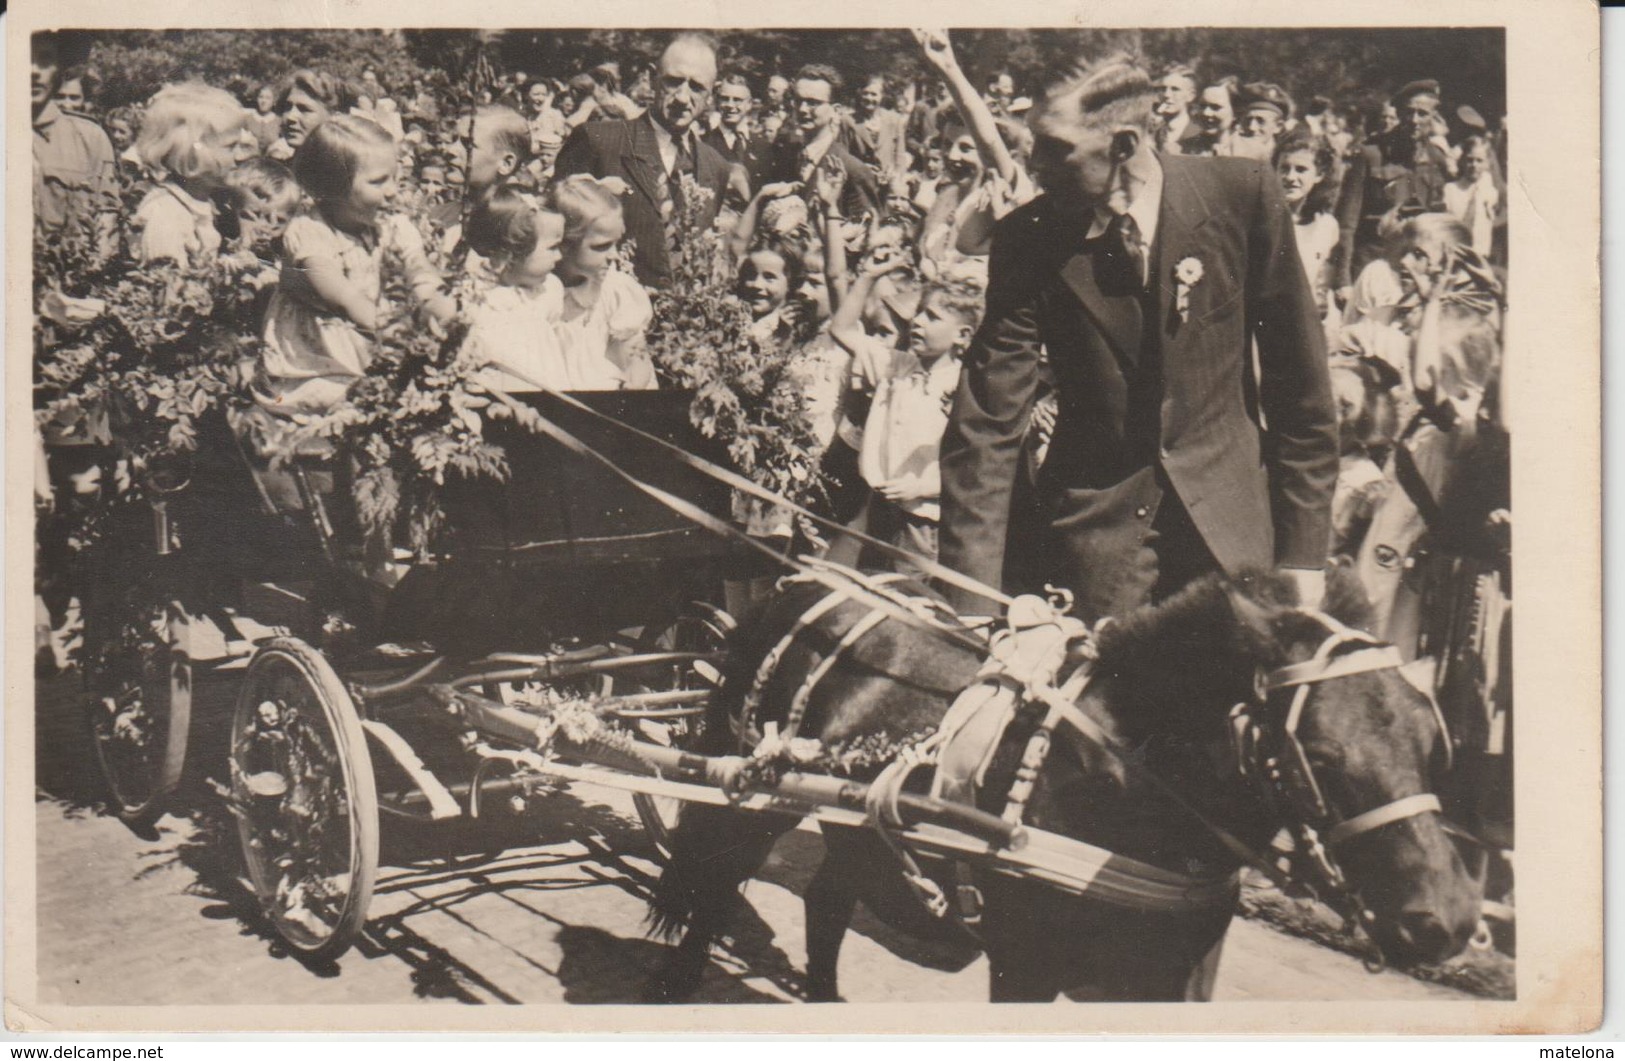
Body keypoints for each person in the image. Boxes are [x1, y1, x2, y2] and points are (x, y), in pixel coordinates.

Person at [937, 56, 1337, 625]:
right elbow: (986, 426)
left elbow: (1301, 390)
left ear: (1123, 144)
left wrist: (1303, 556)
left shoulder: (1241, 197)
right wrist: (968, 601)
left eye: (1055, 147)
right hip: (1095, 549)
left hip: (1235, 539)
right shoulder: (1028, 239)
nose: (1034, 163)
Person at [258, 116, 453, 414]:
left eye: (395, 178)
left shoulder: (390, 224)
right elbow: (346, 297)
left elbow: (419, 269)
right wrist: (399, 333)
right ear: (334, 187)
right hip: (313, 357)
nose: (392, 191)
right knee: (358, 405)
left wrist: (443, 311)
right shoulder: (310, 233)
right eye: (378, 182)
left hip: (364, 341)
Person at [554, 34, 740, 288]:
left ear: (712, 93)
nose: (683, 98)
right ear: (652, 78)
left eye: (697, 87)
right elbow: (556, 239)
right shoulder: (598, 141)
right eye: (673, 82)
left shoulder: (715, 166)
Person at [853, 274, 980, 571]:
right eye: (919, 313)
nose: (918, 321)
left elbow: (970, 463)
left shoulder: (965, 388)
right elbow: (843, 329)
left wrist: (923, 488)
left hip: (923, 516)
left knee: (908, 598)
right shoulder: (896, 365)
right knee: (870, 592)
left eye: (932, 317)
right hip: (882, 508)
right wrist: (868, 276)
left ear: (962, 335)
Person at [549, 174, 656, 390]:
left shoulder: (614, 291)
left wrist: (632, 387)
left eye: (617, 243)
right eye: (601, 246)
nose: (614, 255)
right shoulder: (541, 292)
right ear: (563, 244)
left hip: (611, 398)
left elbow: (637, 358)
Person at [460, 185, 570, 393]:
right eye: (552, 248)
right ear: (512, 253)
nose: (559, 257)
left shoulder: (547, 291)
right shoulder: (481, 301)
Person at [131, 82, 250, 266]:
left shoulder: (203, 202)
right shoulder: (166, 215)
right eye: (231, 147)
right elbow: (168, 287)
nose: (241, 155)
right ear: (193, 154)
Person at [31, 31, 117, 242]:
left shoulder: (90, 138)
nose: (33, 71)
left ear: (60, 68)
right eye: (21, 57)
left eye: (44, 59)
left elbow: (106, 223)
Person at [768, 64, 881, 221]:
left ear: (836, 110)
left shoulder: (853, 170)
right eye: (798, 100)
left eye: (813, 103)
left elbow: (867, 232)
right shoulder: (787, 157)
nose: (802, 109)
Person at [1274, 132, 1342, 344]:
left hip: (1310, 323)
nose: (1291, 177)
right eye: (1284, 168)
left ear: (1319, 175)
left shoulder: (1327, 226)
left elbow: (1322, 284)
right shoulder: (1262, 220)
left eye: (1301, 169)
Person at [703, 73, 774, 194]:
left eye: (737, 100)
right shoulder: (704, 144)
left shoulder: (764, 145)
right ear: (717, 102)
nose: (730, 105)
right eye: (725, 99)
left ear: (749, 104)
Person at [268, 68, 355, 161]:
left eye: (304, 109)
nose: (290, 117)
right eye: (287, 107)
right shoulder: (278, 170)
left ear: (334, 117)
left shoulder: (347, 172)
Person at [1443, 134, 1500, 258]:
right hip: (1454, 255)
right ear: (1463, 161)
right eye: (1470, 160)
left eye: (1479, 160)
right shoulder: (1450, 190)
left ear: (1488, 163)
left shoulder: (1491, 193)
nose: (1474, 165)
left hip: (1480, 257)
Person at [1232, 81, 1292, 163]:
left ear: (1278, 127)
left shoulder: (1283, 160)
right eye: (1248, 120)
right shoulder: (1231, 153)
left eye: (1260, 121)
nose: (1252, 127)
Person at [1151, 65, 1205, 155]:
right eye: (1163, 89)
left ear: (1190, 96)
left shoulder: (1199, 134)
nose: (1167, 95)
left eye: (1175, 89)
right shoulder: (1152, 133)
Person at [1184, 77, 1240, 157]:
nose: (1206, 113)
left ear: (1235, 113)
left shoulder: (1251, 151)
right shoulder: (1183, 149)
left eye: (1215, 107)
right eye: (1202, 106)